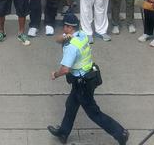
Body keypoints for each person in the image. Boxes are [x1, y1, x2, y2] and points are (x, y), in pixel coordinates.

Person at [46, 10, 129, 145]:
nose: (63, 29)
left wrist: (55, 74)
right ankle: (63, 132)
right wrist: (64, 37)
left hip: (82, 83)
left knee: (94, 113)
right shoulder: (82, 35)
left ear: (69, 28)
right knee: (71, 105)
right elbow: (58, 39)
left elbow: (65, 69)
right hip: (88, 78)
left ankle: (120, 133)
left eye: (65, 27)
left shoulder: (72, 47)